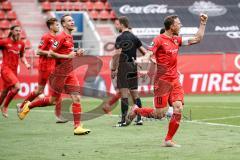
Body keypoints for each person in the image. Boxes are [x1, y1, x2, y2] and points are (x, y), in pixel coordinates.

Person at [127, 14, 208, 147]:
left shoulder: (177, 40)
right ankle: (136, 110)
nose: (180, 25)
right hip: (162, 82)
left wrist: (203, 23)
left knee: (178, 108)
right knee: (159, 114)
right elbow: (149, 53)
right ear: (171, 26)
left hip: (175, 80)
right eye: (179, 23)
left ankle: (168, 140)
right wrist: (144, 62)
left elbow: (197, 39)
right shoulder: (159, 39)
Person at [18, 14, 90, 135]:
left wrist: (77, 53)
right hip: (59, 73)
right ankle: (29, 106)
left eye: (72, 20)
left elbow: (67, 53)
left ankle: (77, 127)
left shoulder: (70, 37)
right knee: (52, 100)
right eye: (69, 21)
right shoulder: (60, 37)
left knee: (76, 97)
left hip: (69, 72)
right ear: (63, 24)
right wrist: (67, 56)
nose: (72, 22)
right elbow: (51, 53)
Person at [17, 18, 67, 123]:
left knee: (47, 90)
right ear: (51, 26)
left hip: (52, 66)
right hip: (45, 67)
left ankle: (22, 106)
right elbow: (38, 51)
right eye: (56, 25)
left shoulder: (58, 38)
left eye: (58, 25)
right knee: (45, 91)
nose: (58, 26)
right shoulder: (46, 37)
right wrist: (49, 53)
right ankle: (23, 106)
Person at [113, 16, 148, 126]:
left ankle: (123, 120)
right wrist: (139, 61)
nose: (116, 25)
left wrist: (114, 69)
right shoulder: (134, 37)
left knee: (124, 94)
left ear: (122, 25)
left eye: (117, 24)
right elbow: (145, 52)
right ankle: (139, 118)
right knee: (135, 94)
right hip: (133, 66)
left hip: (123, 66)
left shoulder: (120, 38)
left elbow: (117, 55)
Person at [0, 25, 30, 118]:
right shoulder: (5, 42)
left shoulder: (21, 43)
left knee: (5, 92)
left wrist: (26, 63)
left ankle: (2, 106)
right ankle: (5, 107)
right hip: (5, 69)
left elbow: (22, 56)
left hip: (14, 71)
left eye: (19, 31)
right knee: (17, 87)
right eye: (16, 30)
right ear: (12, 31)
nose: (18, 32)